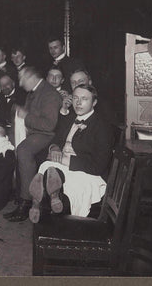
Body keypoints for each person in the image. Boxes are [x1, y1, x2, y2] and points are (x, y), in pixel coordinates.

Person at [27, 84, 113, 223]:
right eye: (75, 98)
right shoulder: (70, 118)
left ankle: (43, 202)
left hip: (87, 173)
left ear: (94, 102)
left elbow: (98, 166)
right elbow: (57, 139)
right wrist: (54, 148)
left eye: (84, 99)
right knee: (47, 165)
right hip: (65, 167)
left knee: (54, 174)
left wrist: (65, 160)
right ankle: (52, 197)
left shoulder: (102, 126)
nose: (78, 103)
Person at [4, 66, 62, 222]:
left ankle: (26, 202)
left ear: (31, 77)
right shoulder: (35, 90)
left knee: (23, 150)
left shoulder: (49, 93)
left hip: (46, 135)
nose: (21, 84)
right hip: (34, 131)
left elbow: (49, 125)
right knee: (9, 141)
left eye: (22, 79)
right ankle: (17, 192)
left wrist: (26, 115)